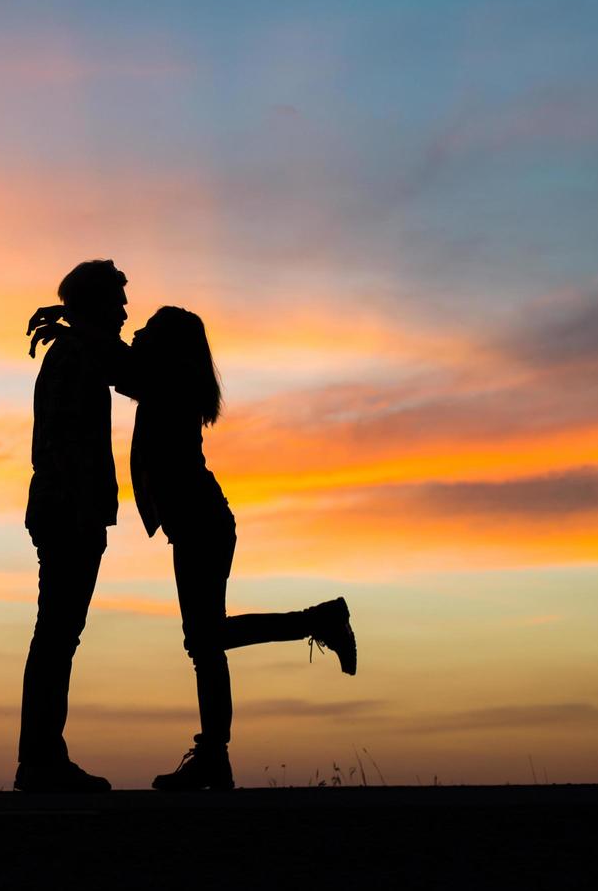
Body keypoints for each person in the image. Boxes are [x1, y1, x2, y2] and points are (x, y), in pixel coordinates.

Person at [28, 304, 357, 791]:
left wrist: (78, 320)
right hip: (198, 524)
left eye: (150, 330)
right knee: (205, 643)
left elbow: (118, 364)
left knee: (204, 641)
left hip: (203, 523)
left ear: (169, 346)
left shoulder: (167, 381)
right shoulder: (164, 378)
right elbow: (118, 363)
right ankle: (214, 757)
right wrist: (79, 322)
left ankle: (317, 622)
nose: (137, 331)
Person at [14, 260, 130, 793]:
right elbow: (139, 375)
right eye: (118, 299)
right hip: (69, 513)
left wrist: (74, 320)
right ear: (99, 304)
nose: (126, 309)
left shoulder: (77, 349)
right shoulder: (78, 353)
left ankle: (42, 757)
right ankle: (40, 762)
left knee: (58, 636)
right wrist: (77, 322)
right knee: (57, 636)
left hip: (66, 511)